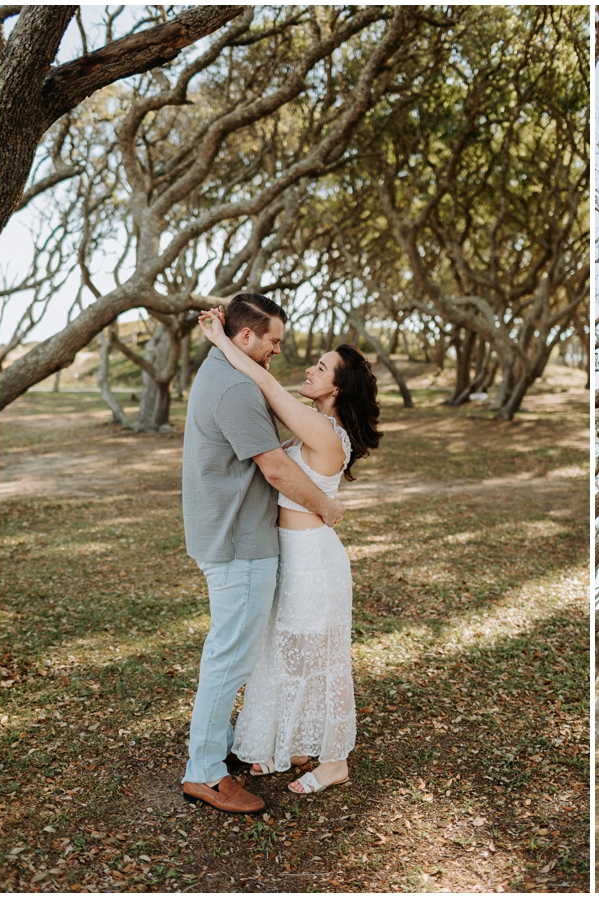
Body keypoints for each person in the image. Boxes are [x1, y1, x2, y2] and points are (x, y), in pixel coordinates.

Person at [198, 304, 382, 795]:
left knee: (323, 657)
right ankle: (294, 745)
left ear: (336, 389)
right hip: (292, 552)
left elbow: (268, 388)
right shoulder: (315, 424)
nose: (308, 369)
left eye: (321, 368)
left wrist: (221, 341)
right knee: (287, 653)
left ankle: (336, 760)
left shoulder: (322, 429)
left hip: (313, 558)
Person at [181, 293, 345, 814]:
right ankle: (205, 772)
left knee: (235, 652)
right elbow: (275, 469)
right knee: (230, 657)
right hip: (239, 542)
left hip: (232, 535)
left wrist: (218, 330)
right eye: (272, 340)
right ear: (246, 337)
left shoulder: (222, 367)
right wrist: (326, 506)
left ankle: (221, 745)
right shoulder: (235, 388)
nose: (278, 351)